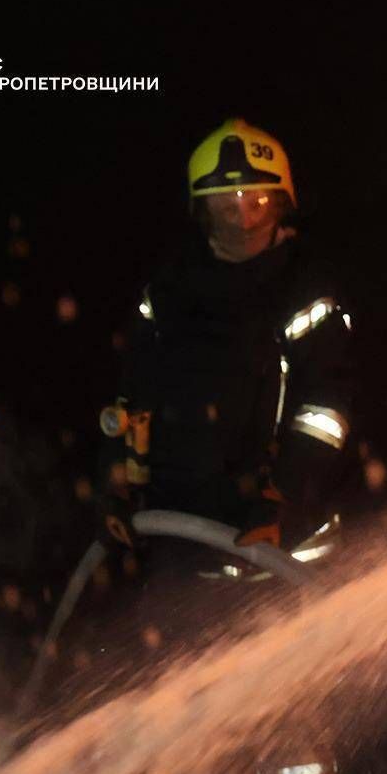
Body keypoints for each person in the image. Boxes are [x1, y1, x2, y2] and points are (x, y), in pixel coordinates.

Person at [98, 117, 355, 573]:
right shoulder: (169, 292)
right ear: (204, 210)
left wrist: (283, 495)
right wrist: (115, 486)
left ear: (281, 204)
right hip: (180, 547)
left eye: (257, 202)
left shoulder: (304, 290)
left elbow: (326, 409)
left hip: (288, 551)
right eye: (227, 206)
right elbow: (130, 397)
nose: (245, 219)